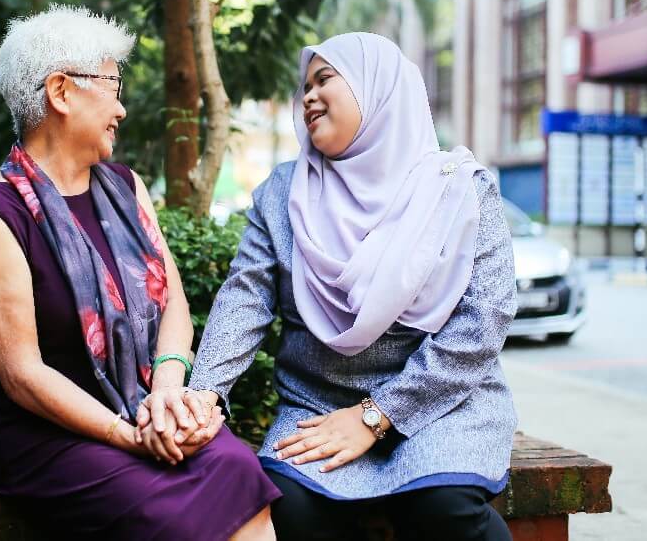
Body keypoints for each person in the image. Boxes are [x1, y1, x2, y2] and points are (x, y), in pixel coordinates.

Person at [166, 32, 518, 540]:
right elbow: (243, 303)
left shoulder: (459, 189)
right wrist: (202, 396)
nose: (307, 96)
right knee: (289, 512)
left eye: (325, 79)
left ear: (378, 90)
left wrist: (379, 415)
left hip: (443, 403)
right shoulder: (283, 194)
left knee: (443, 509)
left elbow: (482, 323)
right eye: (304, 86)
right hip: (317, 405)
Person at [0, 5, 279, 540]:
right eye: (112, 85)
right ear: (61, 92)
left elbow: (173, 303)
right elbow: (23, 376)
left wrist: (169, 394)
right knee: (168, 516)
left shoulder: (125, 188)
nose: (121, 109)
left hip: (146, 402)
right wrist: (130, 435)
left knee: (241, 469)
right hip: (52, 434)